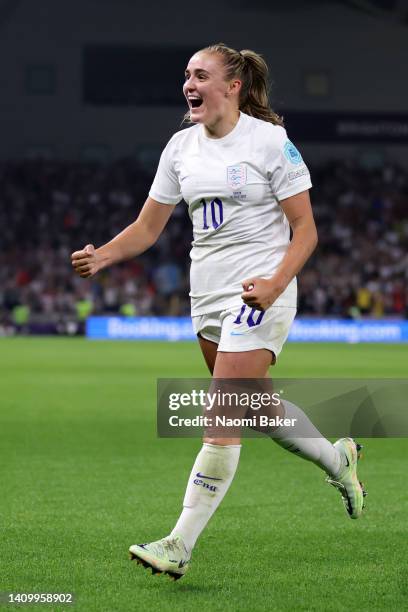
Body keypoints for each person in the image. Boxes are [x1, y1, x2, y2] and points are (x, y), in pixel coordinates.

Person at [71, 43, 366, 581]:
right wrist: (103, 255)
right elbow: (147, 228)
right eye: (186, 75)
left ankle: (179, 544)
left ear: (232, 86)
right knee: (253, 408)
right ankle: (338, 460)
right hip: (206, 295)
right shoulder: (181, 147)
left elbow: (306, 230)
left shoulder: (271, 142)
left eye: (201, 75)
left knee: (222, 413)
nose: (189, 83)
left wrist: (277, 284)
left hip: (260, 289)